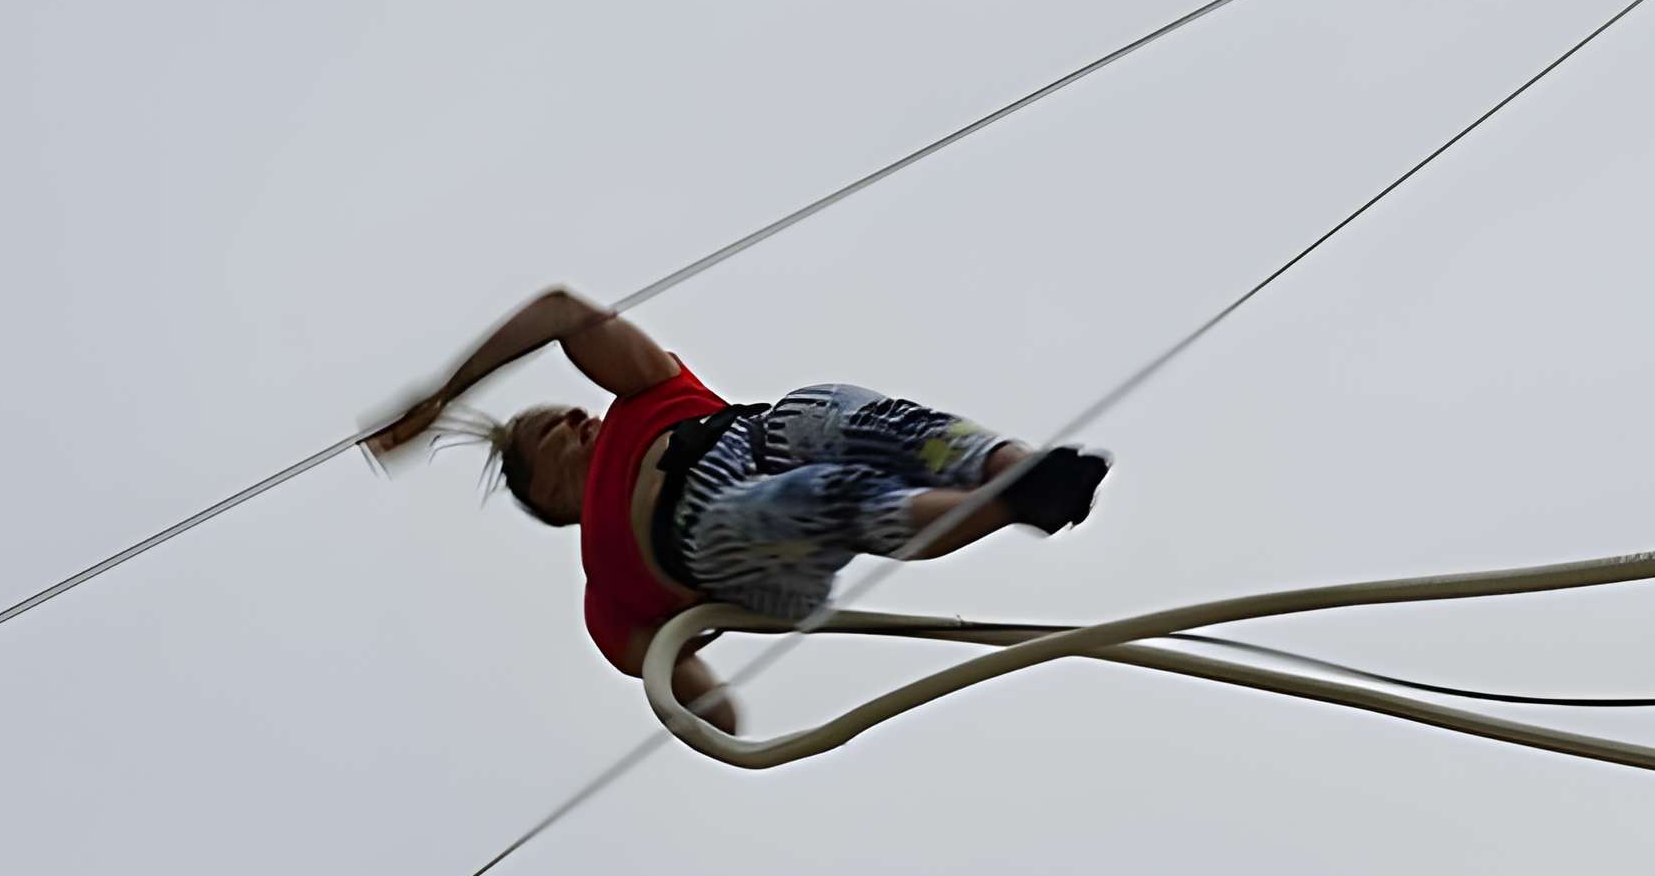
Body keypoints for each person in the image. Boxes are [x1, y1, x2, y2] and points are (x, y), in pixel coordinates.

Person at [364, 288, 1106, 723]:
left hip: (754, 437)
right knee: (807, 503)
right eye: (547, 431)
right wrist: (707, 708)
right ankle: (1004, 504)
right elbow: (700, 697)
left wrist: (445, 393)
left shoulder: (648, 394)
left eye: (566, 409)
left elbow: (563, 312)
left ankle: (1016, 471)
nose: (575, 418)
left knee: (827, 410)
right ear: (549, 495)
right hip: (720, 534)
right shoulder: (606, 596)